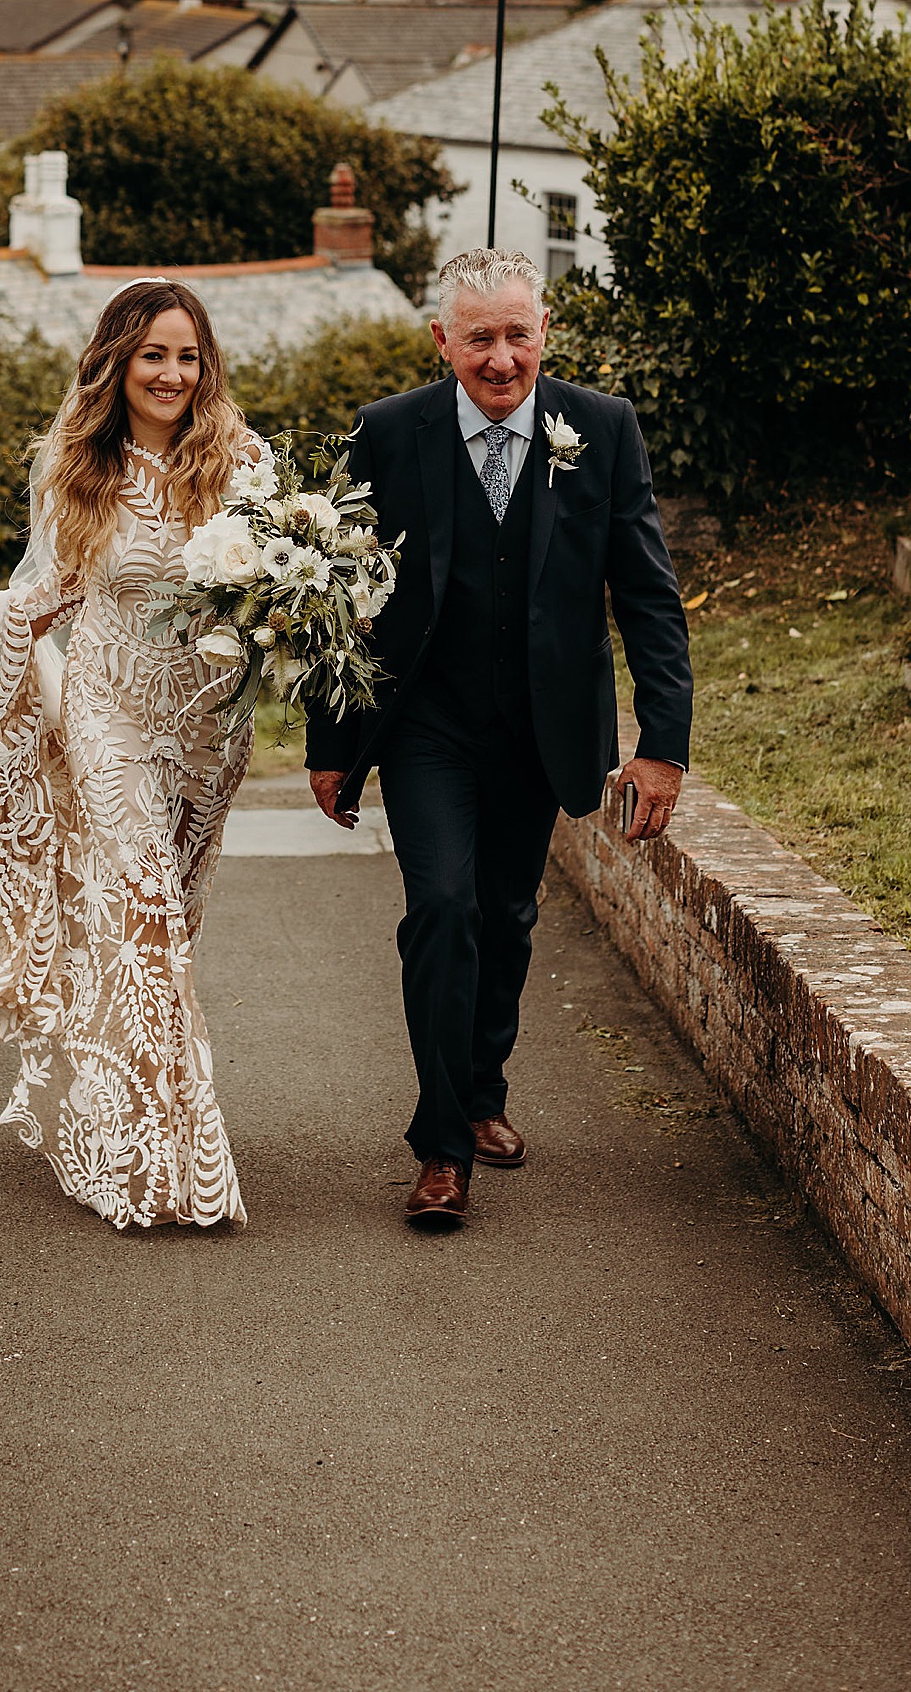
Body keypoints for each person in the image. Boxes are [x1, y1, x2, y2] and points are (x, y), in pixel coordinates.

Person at [305, 247, 692, 1231]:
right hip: (425, 726)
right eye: (478, 336)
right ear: (443, 341)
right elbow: (333, 594)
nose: (500, 357)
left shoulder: (599, 430)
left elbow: (645, 596)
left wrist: (663, 742)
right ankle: (439, 1152)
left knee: (505, 918)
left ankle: (480, 1092)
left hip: (541, 727)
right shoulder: (388, 433)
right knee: (440, 908)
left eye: (517, 333)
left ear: (543, 332)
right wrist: (330, 741)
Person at [0, 280, 259, 1232]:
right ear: (118, 362)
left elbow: (278, 596)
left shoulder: (244, 465)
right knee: (140, 903)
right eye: (153, 355)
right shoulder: (74, 468)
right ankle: (152, 1156)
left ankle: (123, 1101)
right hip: (108, 716)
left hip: (209, 729)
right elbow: (47, 589)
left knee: (172, 918)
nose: (172, 374)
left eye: (187, 356)